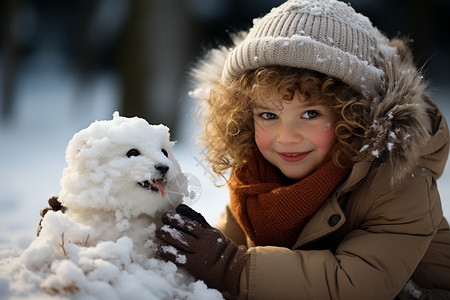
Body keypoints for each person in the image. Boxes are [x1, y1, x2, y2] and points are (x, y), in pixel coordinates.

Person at [155, 0, 450, 299]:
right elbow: (221, 255)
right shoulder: (257, 175)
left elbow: (354, 285)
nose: (286, 137)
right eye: (268, 116)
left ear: (355, 116)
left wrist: (232, 266)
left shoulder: (399, 183)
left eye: (310, 114)